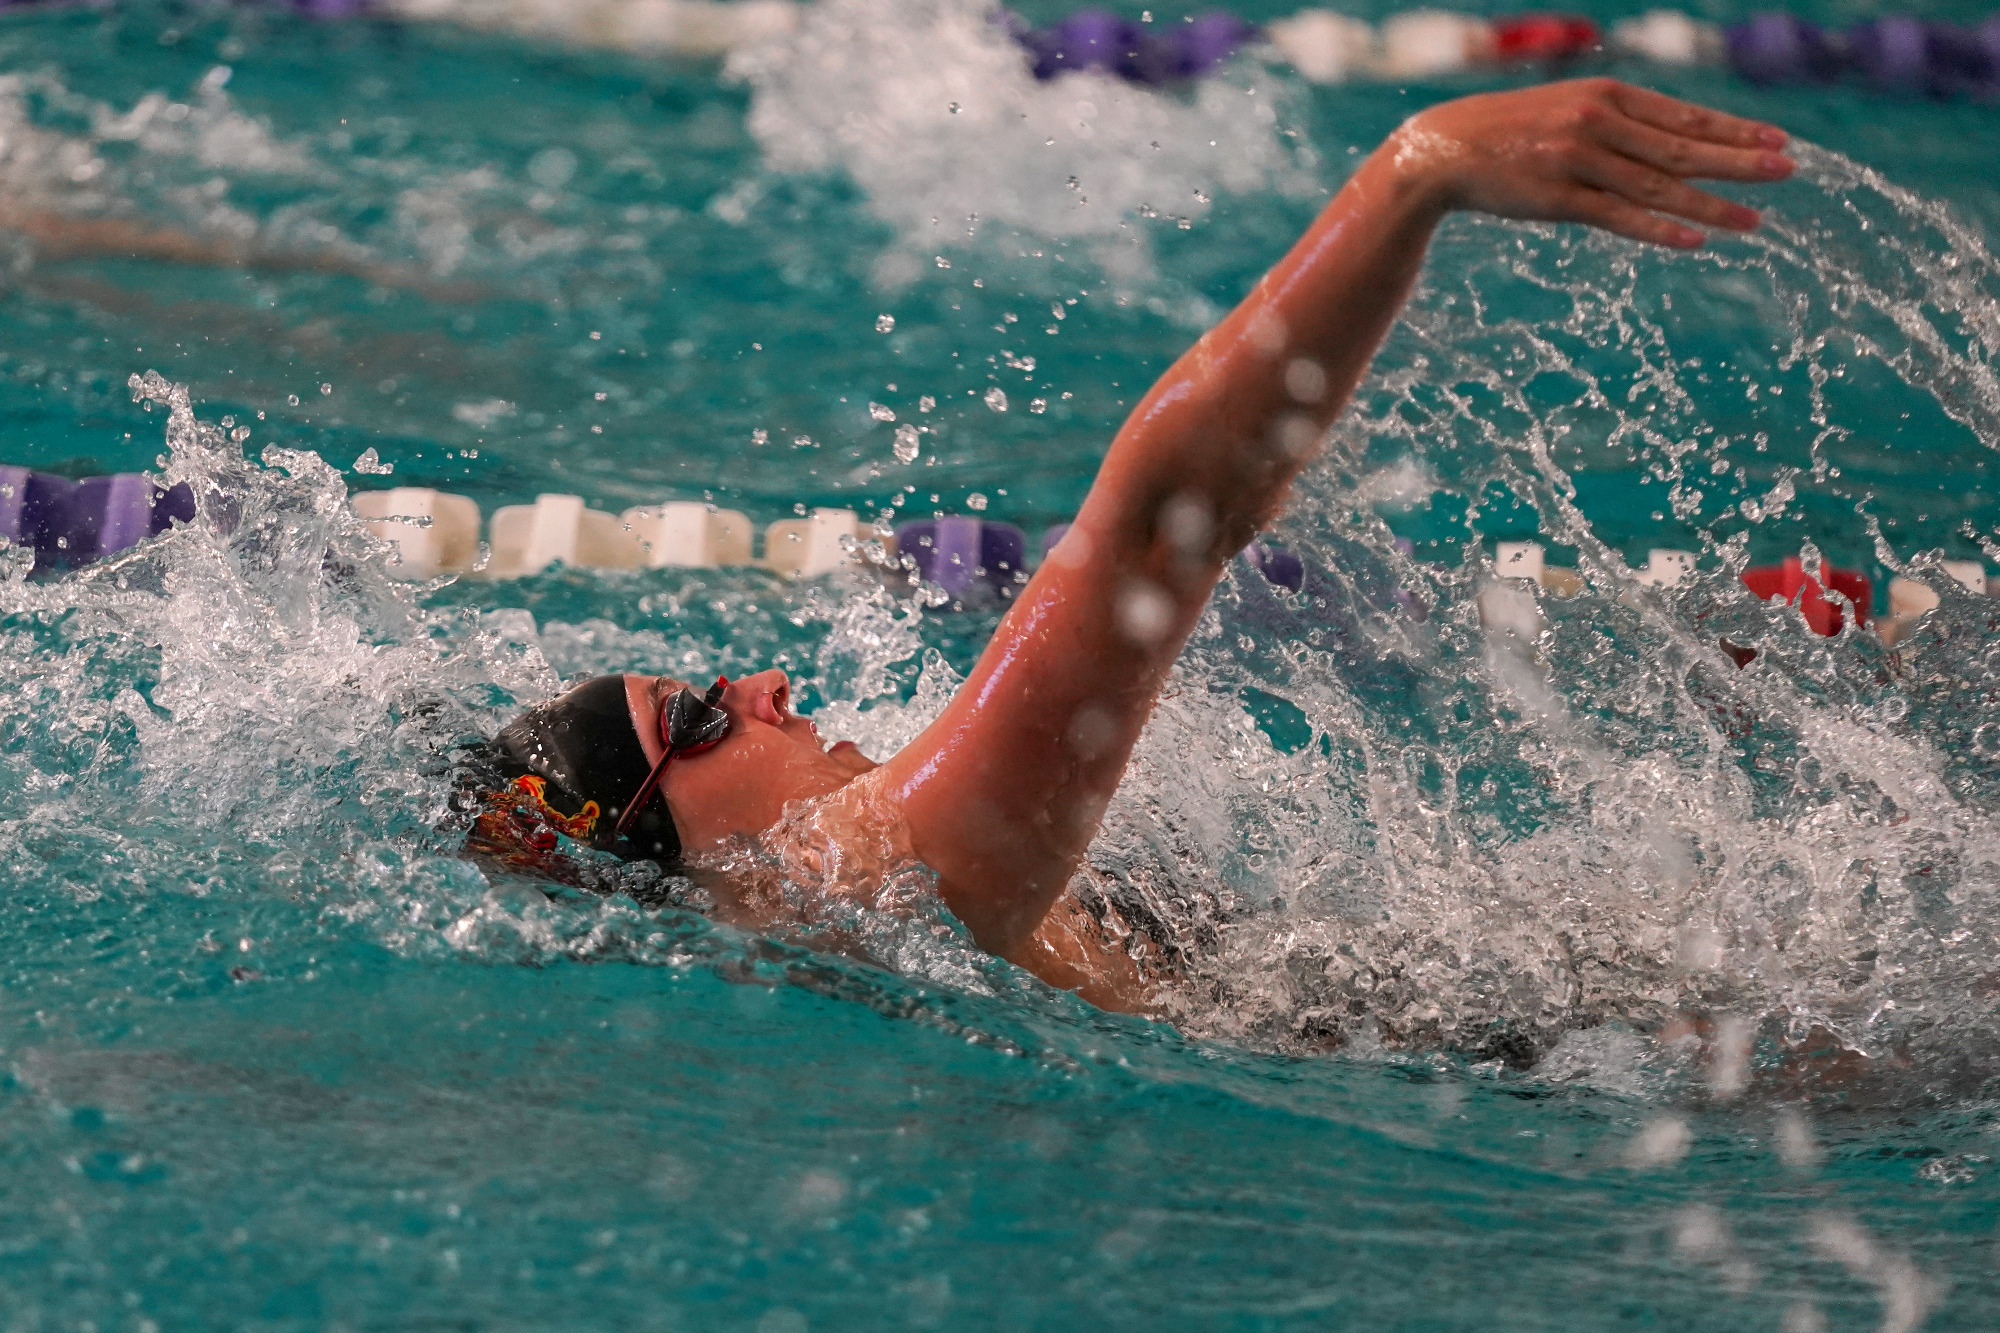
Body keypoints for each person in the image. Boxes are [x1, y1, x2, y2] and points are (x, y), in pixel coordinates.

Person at [464, 79, 1795, 1012]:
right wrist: (1415, 173)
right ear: (650, 856)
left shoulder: (857, 928)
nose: (757, 685)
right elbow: (1165, 523)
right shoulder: (872, 884)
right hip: (1565, 1050)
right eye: (695, 717)